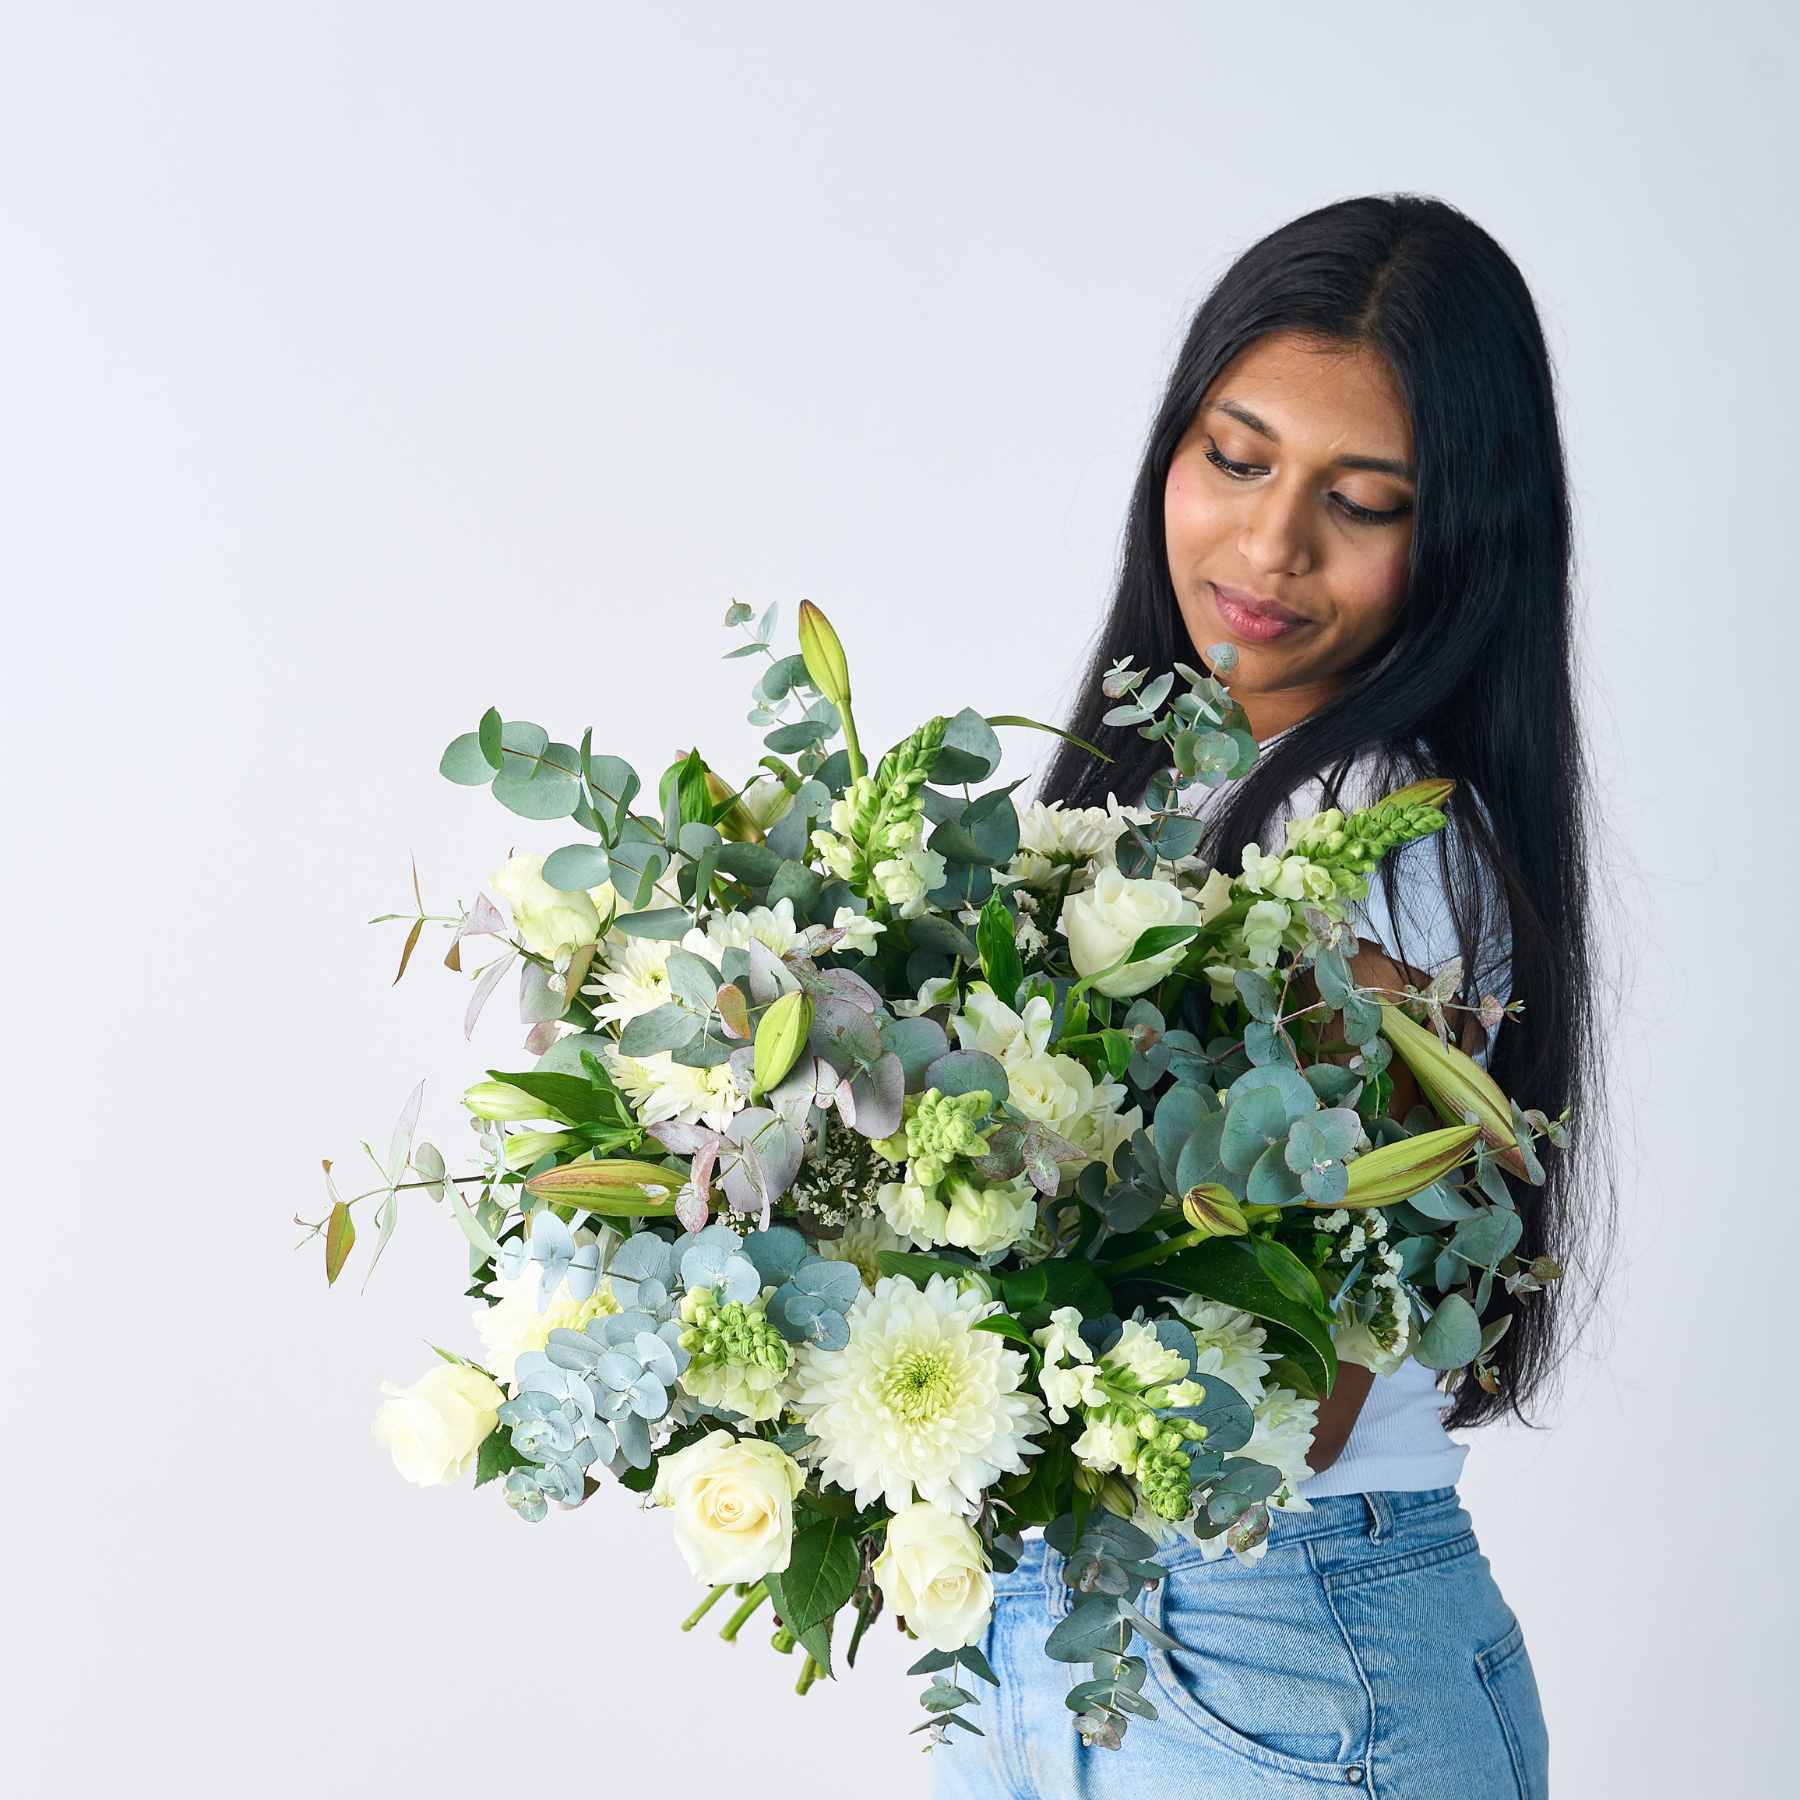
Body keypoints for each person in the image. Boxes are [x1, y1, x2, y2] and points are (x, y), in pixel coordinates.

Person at [933, 194, 1613, 1798]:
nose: (1268, 548)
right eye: (1236, 461)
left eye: (1360, 501)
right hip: (1073, 1633)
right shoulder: (1153, 797)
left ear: (1463, 543)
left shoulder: (1379, 835)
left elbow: (1292, 1397)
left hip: (1272, 1647)